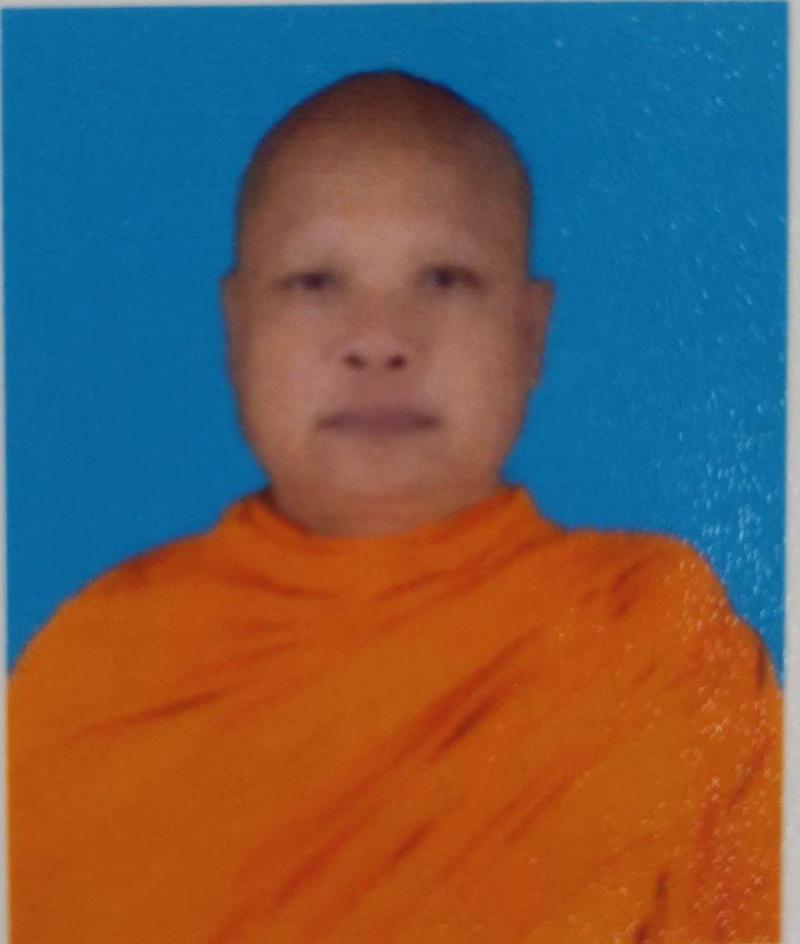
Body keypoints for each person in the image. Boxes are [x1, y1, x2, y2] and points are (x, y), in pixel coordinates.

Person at [9, 70, 782, 943]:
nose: (379, 341)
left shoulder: (653, 636)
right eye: (314, 281)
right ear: (236, 327)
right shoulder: (95, 670)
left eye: (445, 279)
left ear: (531, 334)